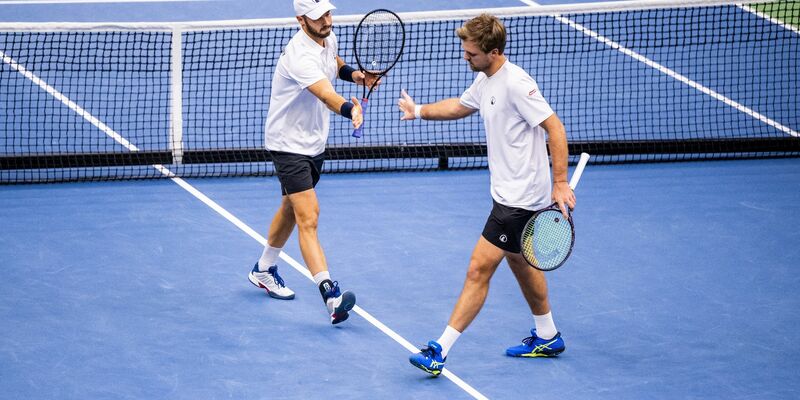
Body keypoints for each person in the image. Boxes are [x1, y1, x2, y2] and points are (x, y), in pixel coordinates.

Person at [398, 14, 575, 375]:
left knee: (478, 269)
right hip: (506, 195)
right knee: (520, 262)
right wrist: (418, 111)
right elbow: (460, 107)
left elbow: (555, 128)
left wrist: (560, 182)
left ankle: (439, 351)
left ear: (493, 52)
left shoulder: (516, 84)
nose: (466, 58)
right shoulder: (486, 79)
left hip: (521, 200)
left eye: (471, 54)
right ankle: (548, 334)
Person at [248, 0, 379, 325]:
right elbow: (324, 93)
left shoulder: (326, 37)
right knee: (309, 216)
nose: (326, 20)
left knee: (291, 208)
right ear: (300, 19)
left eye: (328, 13)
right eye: (318, 16)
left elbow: (332, 64)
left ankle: (263, 269)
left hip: (313, 142)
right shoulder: (298, 55)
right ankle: (330, 294)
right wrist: (351, 109)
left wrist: (356, 76)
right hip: (288, 145)